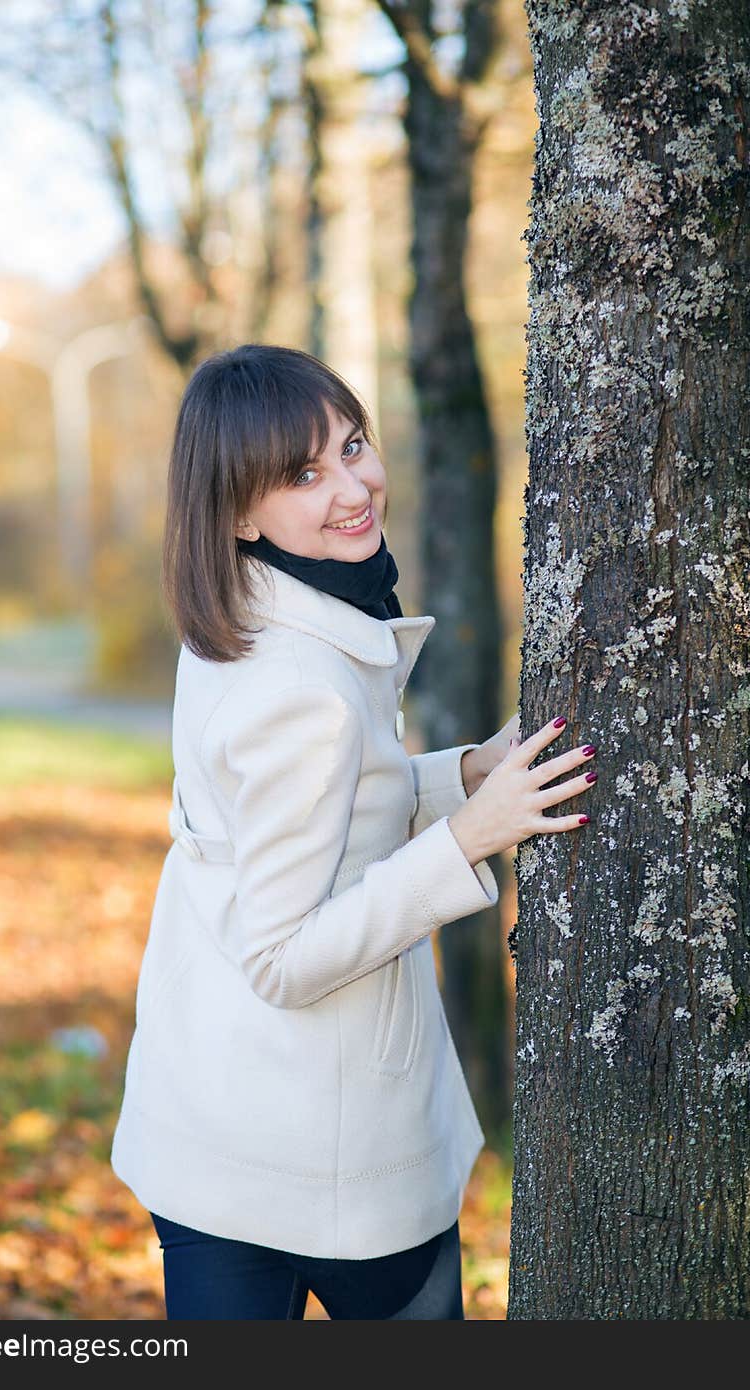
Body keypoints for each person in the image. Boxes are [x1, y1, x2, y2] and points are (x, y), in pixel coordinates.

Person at [110, 344, 597, 1319]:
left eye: (352, 445)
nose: (353, 485)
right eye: (303, 473)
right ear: (239, 512)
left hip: (212, 1125)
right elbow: (284, 956)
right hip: (320, 1156)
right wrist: (466, 836)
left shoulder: (239, 616)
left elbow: (302, 812)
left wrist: (458, 776)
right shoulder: (301, 681)